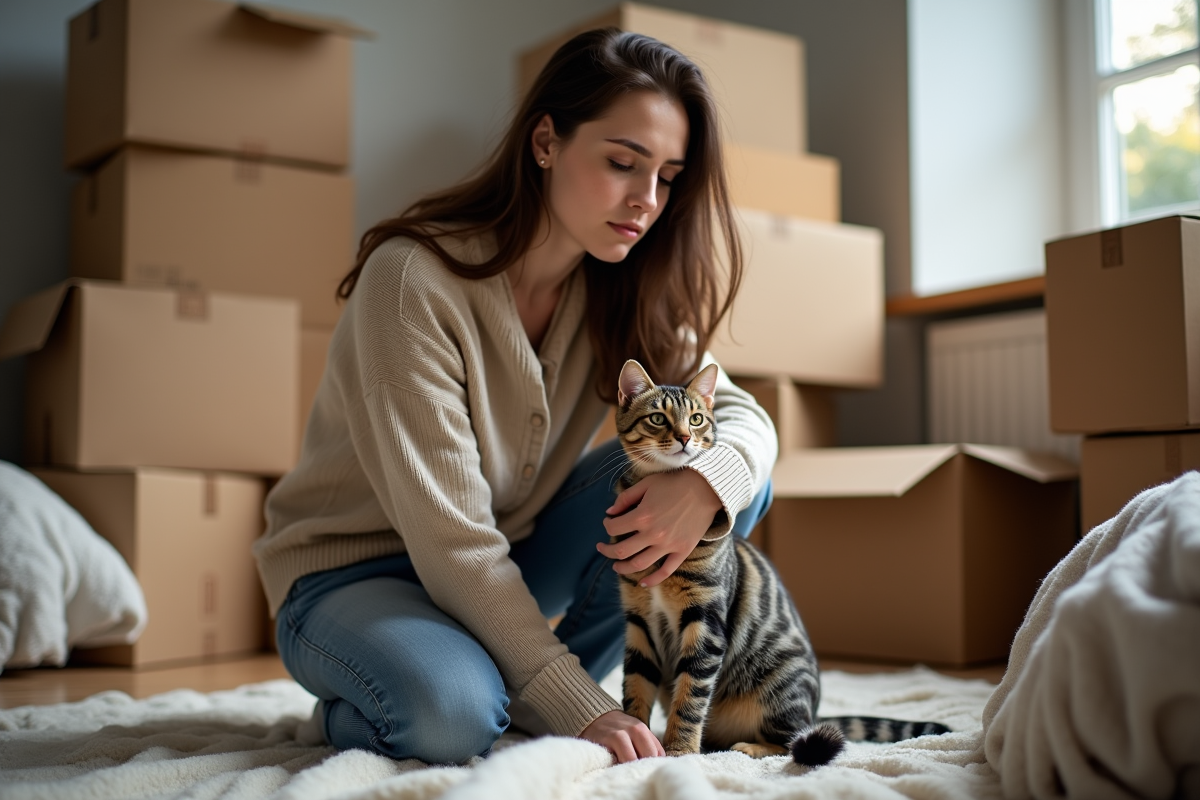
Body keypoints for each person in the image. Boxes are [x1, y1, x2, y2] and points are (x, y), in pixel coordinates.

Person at [252, 27, 777, 766]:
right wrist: (576, 705)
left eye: (667, 175)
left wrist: (703, 482)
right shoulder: (412, 283)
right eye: (623, 163)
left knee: (733, 485)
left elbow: (745, 419)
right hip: (353, 576)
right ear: (545, 142)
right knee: (452, 718)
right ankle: (468, 686)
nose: (646, 200)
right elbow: (452, 542)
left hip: (506, 552)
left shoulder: (620, 283)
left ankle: (519, 679)